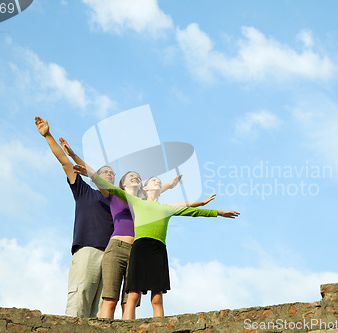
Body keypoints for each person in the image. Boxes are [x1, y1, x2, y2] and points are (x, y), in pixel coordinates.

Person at [59, 138, 213, 319]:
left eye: (138, 178)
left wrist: (170, 186)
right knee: (110, 299)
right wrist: (73, 155)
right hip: (116, 247)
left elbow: (156, 193)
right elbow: (93, 175)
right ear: (122, 184)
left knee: (129, 300)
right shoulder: (115, 196)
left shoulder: (143, 202)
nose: (135, 178)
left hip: (137, 252)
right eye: (130, 176)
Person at [73, 164, 240, 320]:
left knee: (154, 297)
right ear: (144, 188)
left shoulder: (165, 208)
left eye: (159, 182)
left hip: (158, 251)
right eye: (154, 181)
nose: (157, 183)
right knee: (129, 295)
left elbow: (189, 210)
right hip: (137, 249)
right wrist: (91, 174)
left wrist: (217, 211)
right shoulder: (136, 201)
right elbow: (111, 188)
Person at [34, 116, 114, 318]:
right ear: (94, 176)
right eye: (105, 173)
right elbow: (64, 162)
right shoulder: (84, 192)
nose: (109, 175)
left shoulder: (117, 201)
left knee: (101, 313)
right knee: (79, 304)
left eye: (112, 174)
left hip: (112, 257)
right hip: (87, 250)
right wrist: (48, 136)